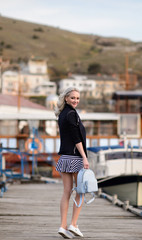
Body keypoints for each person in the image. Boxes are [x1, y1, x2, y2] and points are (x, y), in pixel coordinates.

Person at [54, 87, 89, 239]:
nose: (75, 100)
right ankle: (73, 224)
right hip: (75, 157)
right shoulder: (72, 114)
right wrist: (84, 157)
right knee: (80, 192)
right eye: (73, 98)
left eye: (77, 98)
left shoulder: (62, 114)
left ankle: (63, 226)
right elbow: (76, 138)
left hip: (64, 158)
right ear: (66, 98)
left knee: (66, 192)